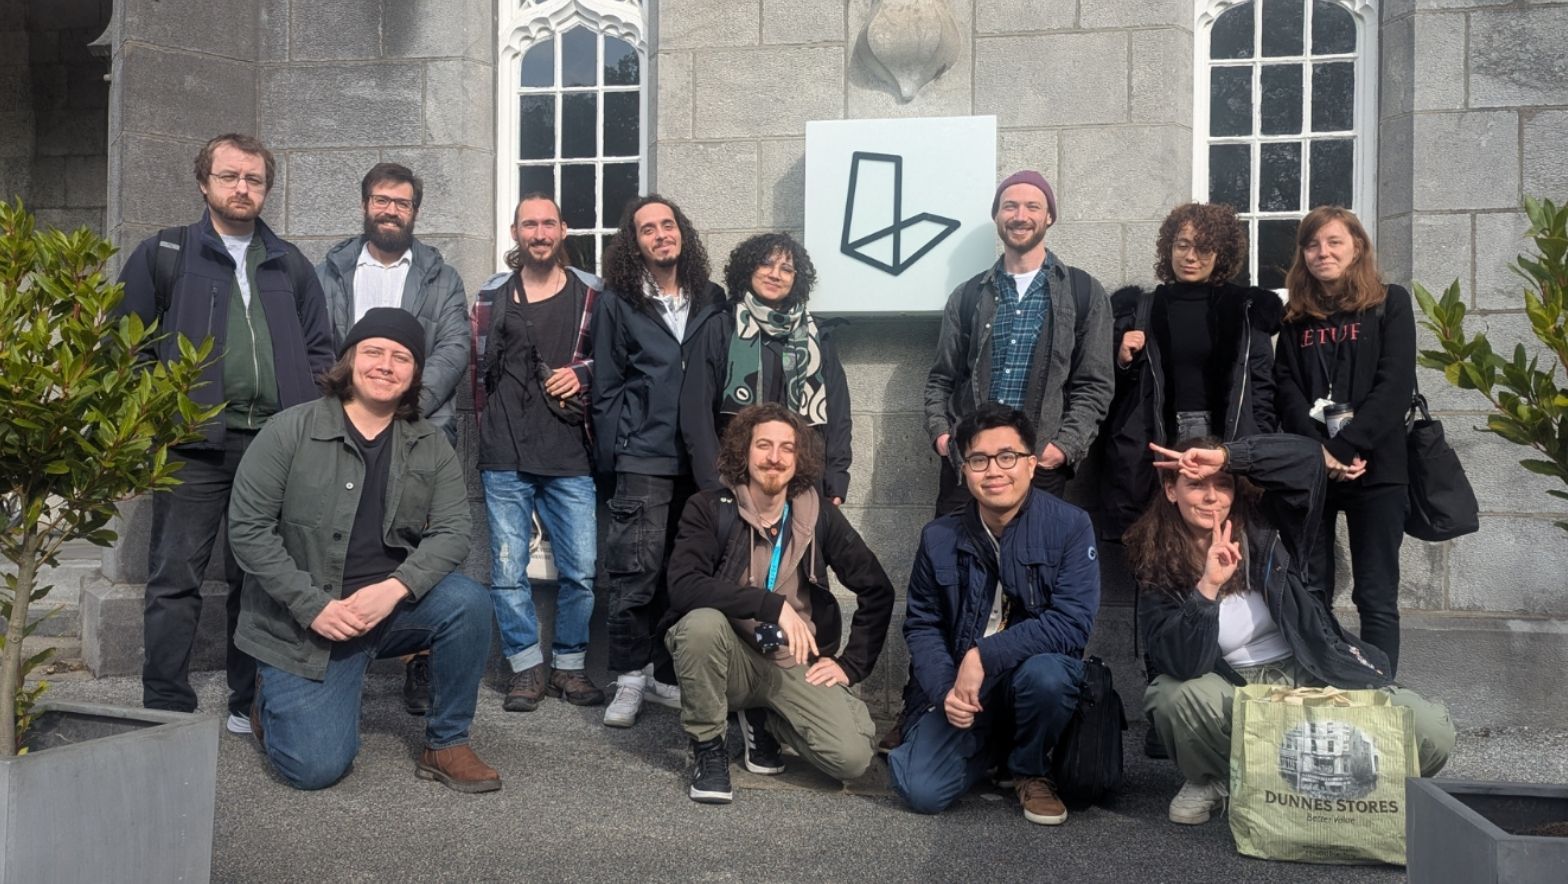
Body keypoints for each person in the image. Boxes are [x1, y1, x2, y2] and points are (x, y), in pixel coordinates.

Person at [228, 308, 500, 793]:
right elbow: (249, 530)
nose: (385, 365)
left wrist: (394, 589)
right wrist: (313, 607)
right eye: (374, 352)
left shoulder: (429, 444)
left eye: (401, 358)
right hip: (304, 624)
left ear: (415, 373)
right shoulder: (289, 430)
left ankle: (446, 742)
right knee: (313, 770)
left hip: (386, 612)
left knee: (468, 602)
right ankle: (269, 698)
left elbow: (454, 531)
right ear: (350, 360)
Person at [116, 133, 335, 735]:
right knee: (175, 577)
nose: (242, 188)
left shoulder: (289, 262)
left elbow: (320, 349)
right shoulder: (165, 253)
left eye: (254, 179)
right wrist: (157, 419)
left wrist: (306, 417)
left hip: (273, 448)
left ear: (266, 190)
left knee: (258, 579)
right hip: (192, 445)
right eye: (230, 176)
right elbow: (126, 347)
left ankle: (247, 700)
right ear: (203, 183)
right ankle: (165, 704)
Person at [1131, 435, 1452, 825]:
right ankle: (1212, 777)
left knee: (1430, 730)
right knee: (1172, 695)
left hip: (1310, 672)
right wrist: (1207, 589)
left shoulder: (1270, 528)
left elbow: (1306, 460)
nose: (1211, 497)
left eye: (1223, 483)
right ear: (1171, 491)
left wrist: (1228, 456)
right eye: (1196, 485)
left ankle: (1328, 784)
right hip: (1235, 690)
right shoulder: (1157, 561)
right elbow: (1181, 664)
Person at [663, 403, 895, 804]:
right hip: (730, 658)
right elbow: (683, 586)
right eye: (764, 445)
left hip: (792, 661)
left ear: (799, 458)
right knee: (700, 625)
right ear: (744, 452)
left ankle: (766, 719)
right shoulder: (709, 507)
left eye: (787, 448)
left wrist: (851, 665)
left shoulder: (819, 515)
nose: (775, 457)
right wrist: (770, 605)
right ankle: (709, 747)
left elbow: (877, 588)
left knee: (852, 759)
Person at [889, 403, 1100, 825]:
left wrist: (983, 655)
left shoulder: (1071, 526)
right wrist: (944, 691)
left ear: (1031, 464)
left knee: (1047, 677)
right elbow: (923, 623)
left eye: (1007, 457)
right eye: (979, 460)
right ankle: (991, 747)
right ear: (964, 470)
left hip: (1030, 675)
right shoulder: (938, 536)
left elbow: (1071, 622)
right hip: (965, 685)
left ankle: (1030, 768)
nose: (994, 471)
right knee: (920, 789)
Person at [315, 162, 469, 716]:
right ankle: (335, 651)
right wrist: (348, 407)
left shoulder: (441, 277)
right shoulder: (330, 271)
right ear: (365, 205)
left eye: (402, 203)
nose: (390, 210)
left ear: (414, 212)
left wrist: (407, 406)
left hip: (420, 426)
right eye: (382, 200)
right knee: (343, 533)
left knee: (422, 541)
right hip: (345, 425)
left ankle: (422, 658)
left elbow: (454, 346)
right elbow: (318, 342)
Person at [592, 195, 724, 728]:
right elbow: (606, 386)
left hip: (701, 458)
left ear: (682, 233)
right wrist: (615, 455)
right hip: (643, 455)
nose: (661, 234)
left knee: (682, 571)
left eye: (668, 224)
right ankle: (628, 677)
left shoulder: (712, 297)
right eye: (648, 229)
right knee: (634, 572)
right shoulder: (618, 301)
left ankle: (665, 674)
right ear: (635, 243)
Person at [1272, 207, 1416, 673]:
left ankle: (1378, 688)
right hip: (1314, 469)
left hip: (1378, 468)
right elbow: (1285, 387)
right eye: (1312, 244)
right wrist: (1319, 451)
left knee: (1375, 594)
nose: (1323, 252)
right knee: (1312, 587)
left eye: (1334, 242)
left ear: (1357, 247)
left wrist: (1345, 447)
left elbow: (1394, 385)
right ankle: (1323, 680)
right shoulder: (1295, 317)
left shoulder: (1390, 303)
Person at [475, 194, 603, 712]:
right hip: (504, 453)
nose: (540, 233)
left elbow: (614, 358)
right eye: (529, 224)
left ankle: (569, 668)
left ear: (564, 229)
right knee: (508, 572)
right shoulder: (491, 295)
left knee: (582, 571)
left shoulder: (593, 294)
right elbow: (478, 371)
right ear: (515, 233)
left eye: (548, 223)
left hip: (570, 453)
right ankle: (525, 668)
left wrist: (582, 375)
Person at [923, 170, 1114, 514]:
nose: (1020, 216)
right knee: (954, 547)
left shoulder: (1082, 292)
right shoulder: (969, 295)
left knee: (1034, 549)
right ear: (997, 216)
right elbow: (941, 378)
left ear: (1049, 216)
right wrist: (943, 436)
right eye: (1010, 206)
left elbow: (1094, 384)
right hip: (970, 461)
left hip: (1038, 464)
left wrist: (1063, 446)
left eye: (1032, 206)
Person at [1101, 201, 1281, 539]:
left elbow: (1262, 388)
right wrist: (1122, 358)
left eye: (1203, 248)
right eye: (1182, 245)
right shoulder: (1140, 309)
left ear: (1220, 254)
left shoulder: (1244, 310)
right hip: (1157, 437)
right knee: (1160, 537)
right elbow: (1112, 391)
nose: (1190, 256)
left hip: (1225, 433)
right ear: (1168, 248)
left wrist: (1258, 438)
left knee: (1222, 530)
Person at [681, 232, 852, 503]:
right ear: (748, 269)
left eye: (786, 269)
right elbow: (696, 413)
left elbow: (838, 414)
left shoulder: (816, 336)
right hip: (734, 482)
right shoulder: (721, 328)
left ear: (796, 279)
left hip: (804, 481)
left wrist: (836, 481)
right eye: (766, 264)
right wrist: (714, 484)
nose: (775, 274)